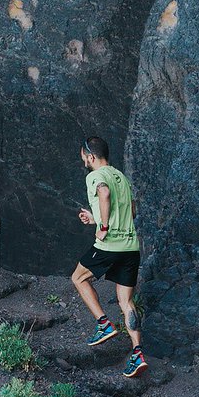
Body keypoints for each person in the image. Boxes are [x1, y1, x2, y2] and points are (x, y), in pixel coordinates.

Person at [71, 136, 147, 379]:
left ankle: (103, 324)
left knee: (79, 278)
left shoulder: (95, 176)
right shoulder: (121, 178)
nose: (83, 161)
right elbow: (132, 210)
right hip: (130, 247)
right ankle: (137, 354)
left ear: (90, 156)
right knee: (127, 302)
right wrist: (96, 218)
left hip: (110, 245)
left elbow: (103, 194)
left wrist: (102, 227)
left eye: (84, 157)